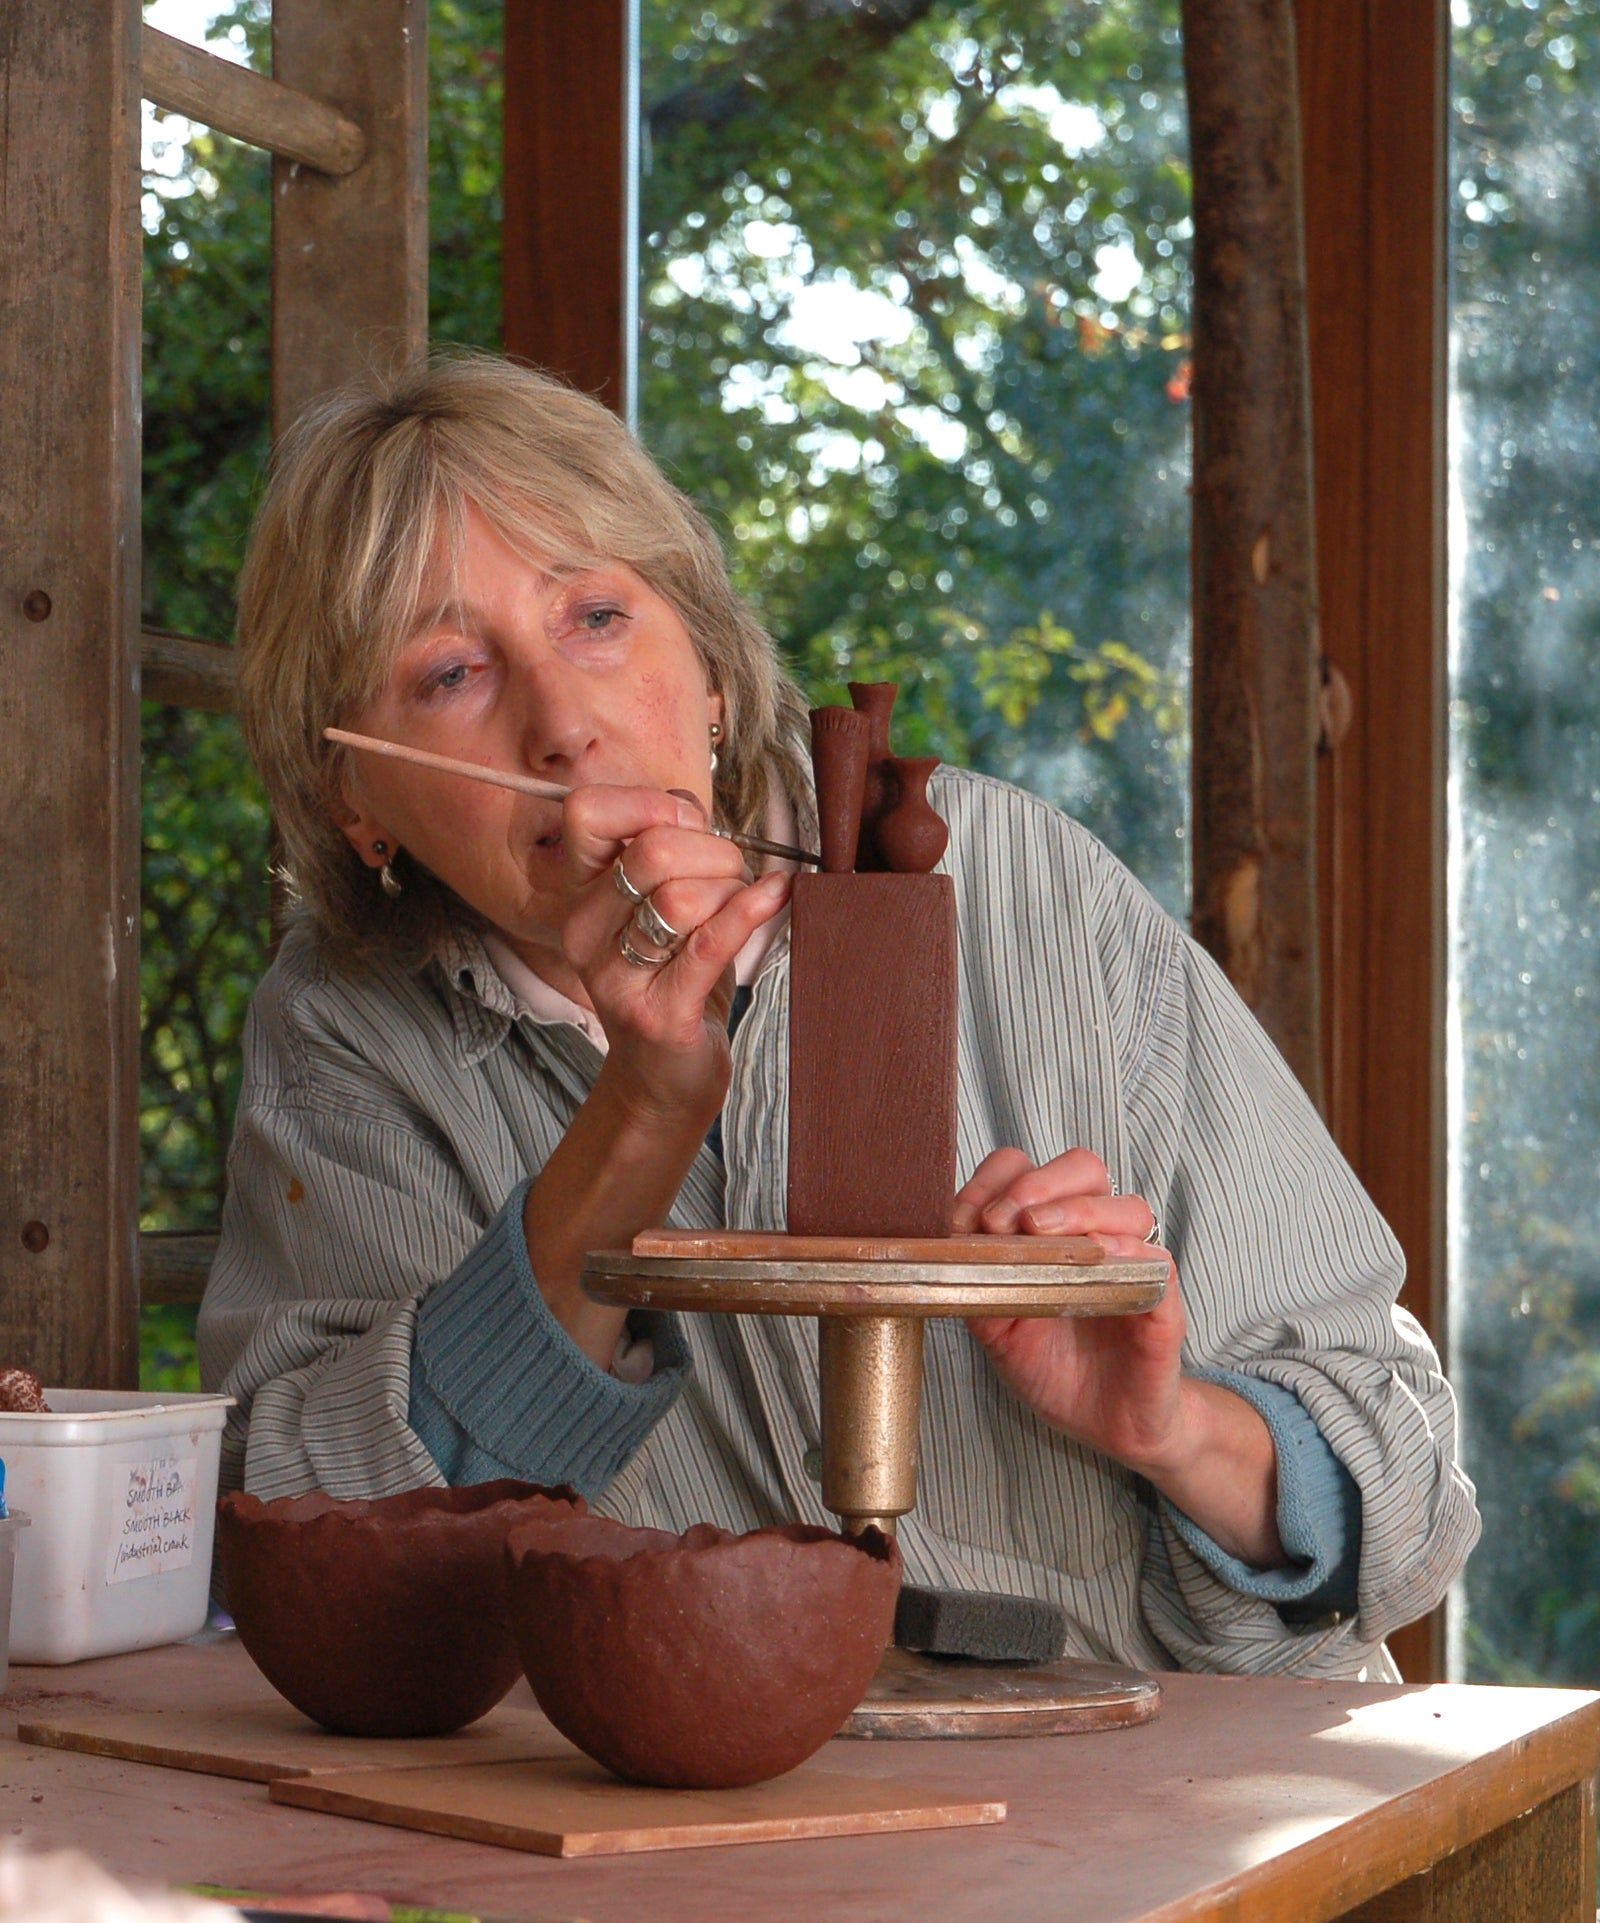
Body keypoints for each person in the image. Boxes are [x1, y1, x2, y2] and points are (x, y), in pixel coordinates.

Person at [200, 352, 1478, 1679]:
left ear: (707, 672)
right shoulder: (346, 1027)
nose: (565, 725)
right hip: (729, 1864)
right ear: (360, 803)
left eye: (595, 617)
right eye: (452, 670)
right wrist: (635, 1117)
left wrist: (1173, 1427)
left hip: (1171, 1827)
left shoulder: (1014, 884)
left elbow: (1412, 1506)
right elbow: (314, 1556)